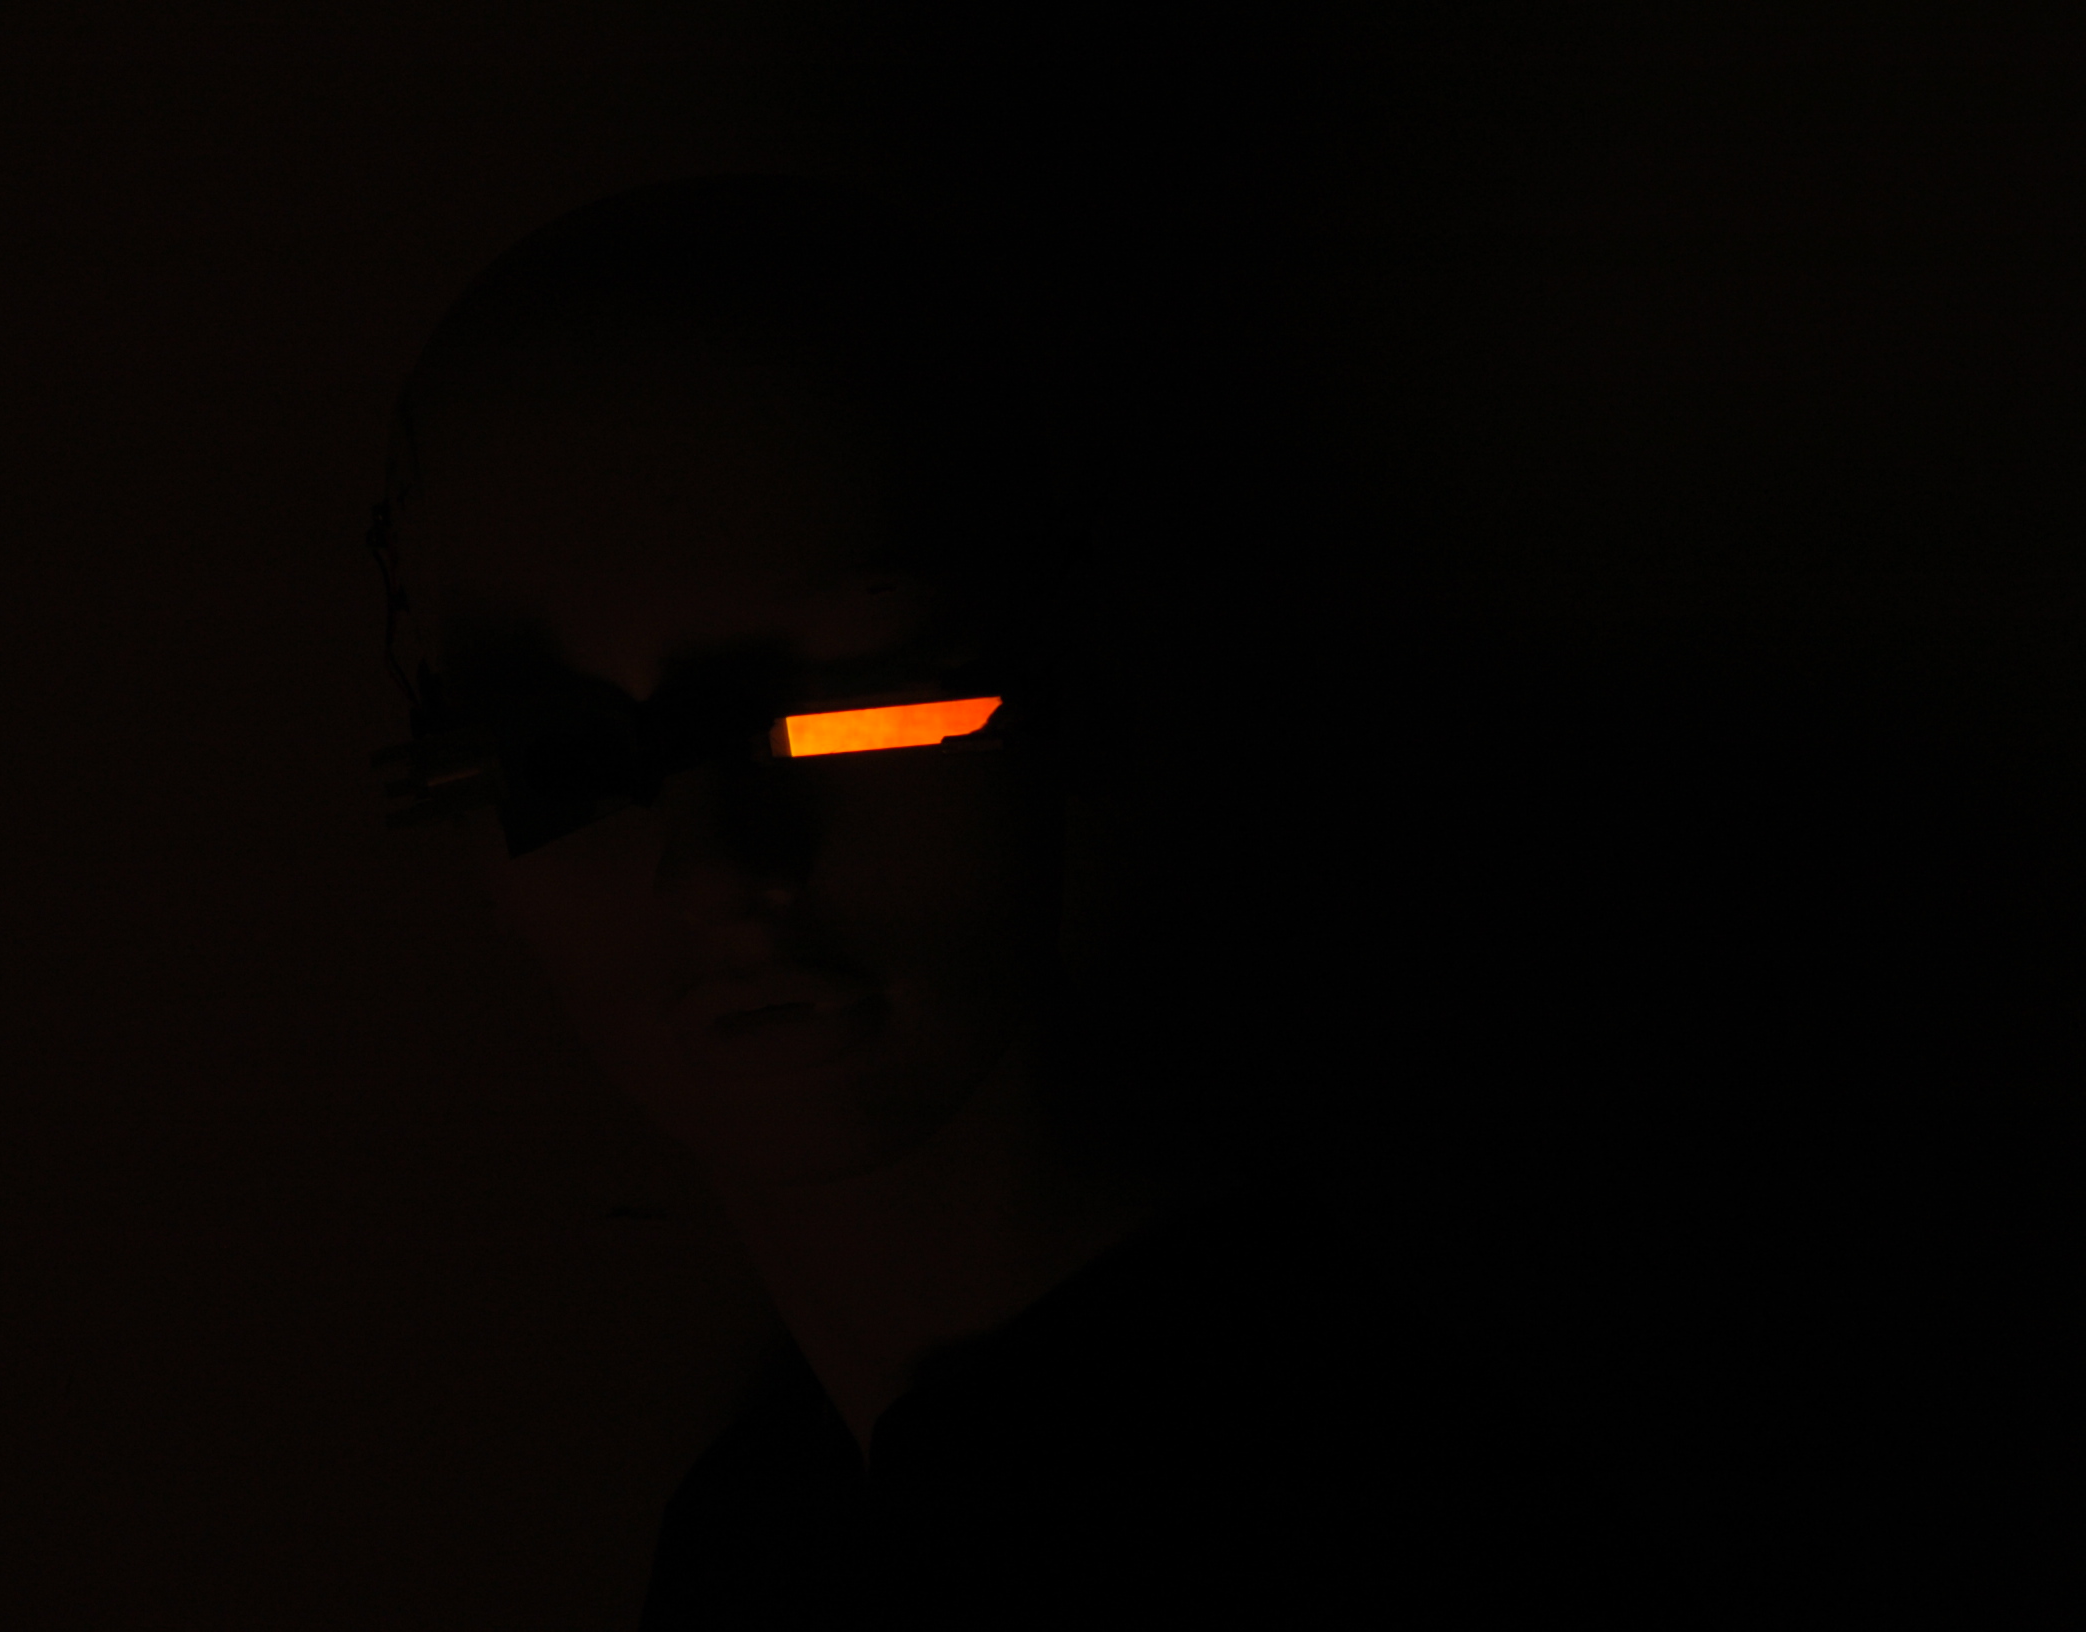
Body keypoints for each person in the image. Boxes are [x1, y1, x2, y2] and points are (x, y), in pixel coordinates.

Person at [359, 173, 2062, 1625]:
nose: (726, 865)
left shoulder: (1413, 1489)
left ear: (1093, 694)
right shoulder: (770, 1541)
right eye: (567, 759)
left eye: (867, 708)